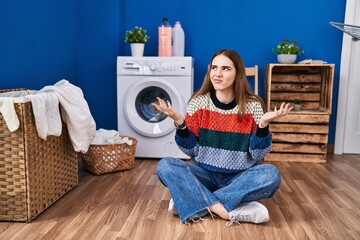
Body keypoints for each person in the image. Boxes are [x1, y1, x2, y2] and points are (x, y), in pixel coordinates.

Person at [152, 49, 292, 226]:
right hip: (204, 176)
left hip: (238, 178)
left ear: (237, 74)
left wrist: (263, 125)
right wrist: (180, 123)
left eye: (225, 69)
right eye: (214, 68)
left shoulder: (253, 105)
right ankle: (225, 211)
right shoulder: (198, 102)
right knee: (165, 165)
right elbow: (191, 149)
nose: (217, 74)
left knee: (271, 175)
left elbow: (258, 155)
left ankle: (194, 203)